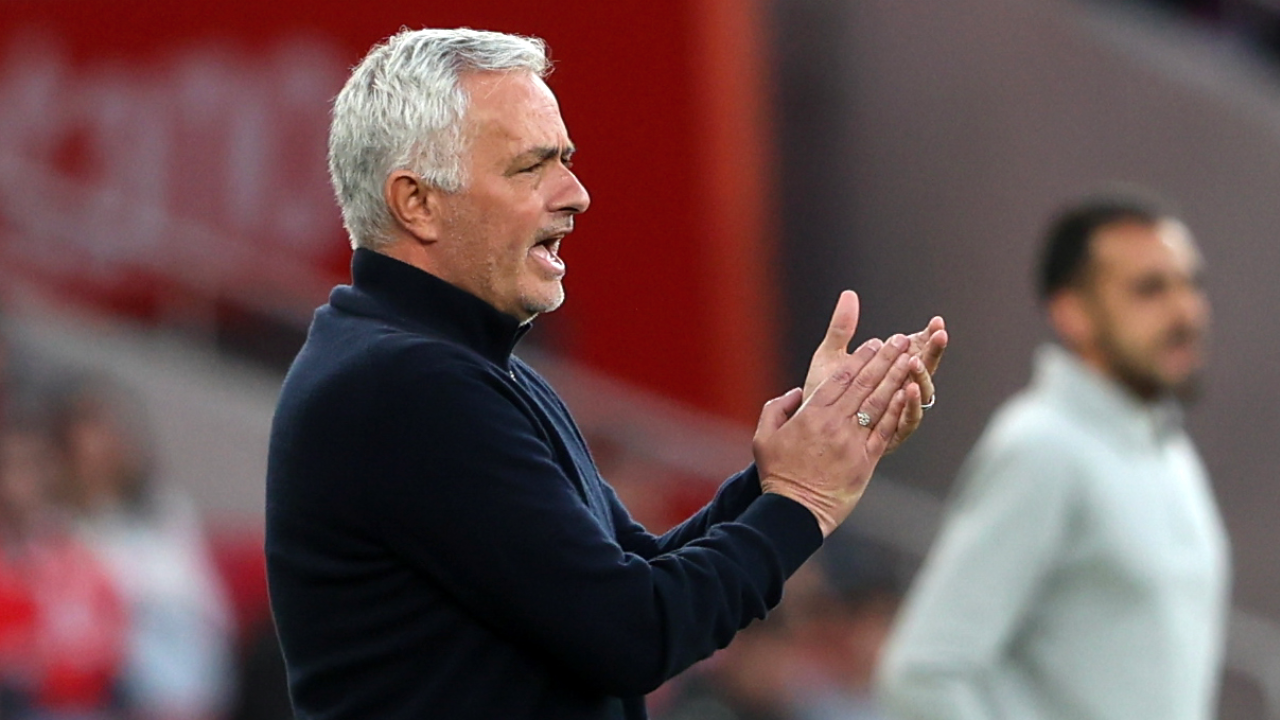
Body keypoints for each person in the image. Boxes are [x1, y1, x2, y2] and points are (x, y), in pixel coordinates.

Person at [266, 27, 946, 720]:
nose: (577, 194)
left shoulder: (463, 366)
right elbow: (632, 631)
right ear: (417, 202)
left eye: (566, 160)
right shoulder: (403, 385)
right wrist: (802, 499)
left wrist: (789, 470)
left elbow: (633, 575)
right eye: (531, 168)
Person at [875, 192, 1230, 720]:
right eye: (1150, 289)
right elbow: (922, 675)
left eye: (1190, 284)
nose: (1186, 311)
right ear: (1072, 313)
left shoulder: (1168, 445)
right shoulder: (1042, 447)